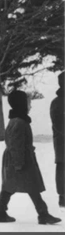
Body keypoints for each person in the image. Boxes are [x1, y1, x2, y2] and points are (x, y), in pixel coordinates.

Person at [0, 89, 61, 224]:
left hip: (16, 158)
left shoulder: (16, 120)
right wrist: (19, 162)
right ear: (21, 104)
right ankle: (43, 214)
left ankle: (0, 213)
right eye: (27, 102)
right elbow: (16, 144)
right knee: (32, 186)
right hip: (20, 160)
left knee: (9, 187)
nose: (29, 105)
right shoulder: (19, 122)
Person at [52, 72, 63, 208]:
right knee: (62, 168)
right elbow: (58, 124)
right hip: (62, 143)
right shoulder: (57, 102)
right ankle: (63, 197)